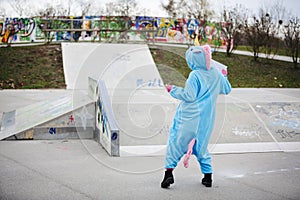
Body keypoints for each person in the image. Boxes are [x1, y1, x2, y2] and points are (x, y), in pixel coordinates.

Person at [161, 44, 232, 189]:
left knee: (176, 143)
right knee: (202, 147)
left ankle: (168, 174)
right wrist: (223, 75)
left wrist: (172, 89)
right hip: (206, 120)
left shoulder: (195, 75)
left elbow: (189, 95)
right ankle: (208, 177)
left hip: (189, 117)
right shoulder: (216, 73)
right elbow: (227, 89)